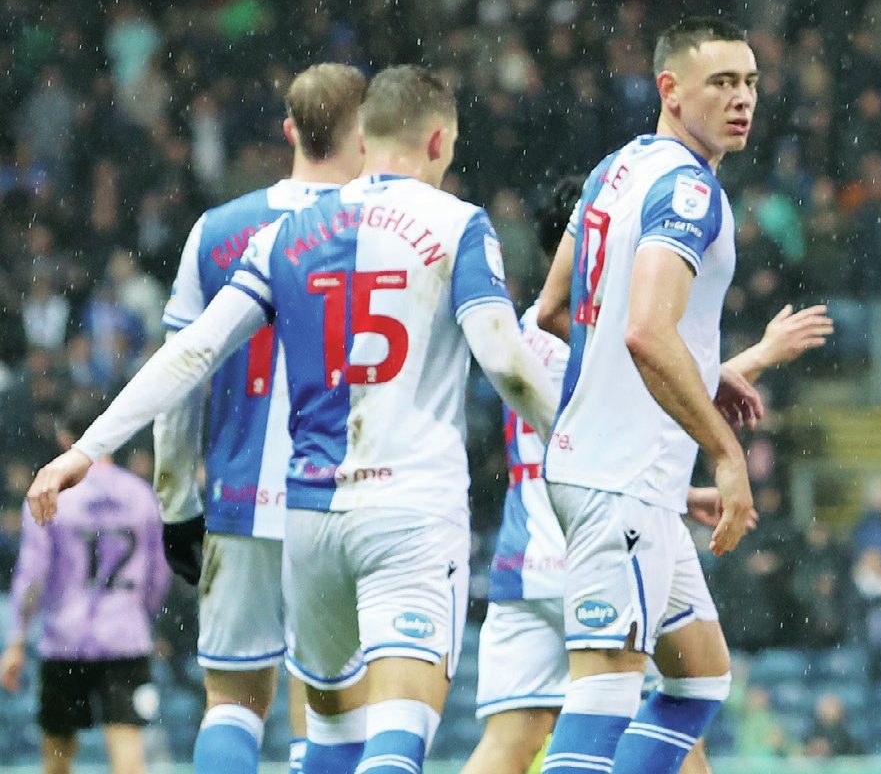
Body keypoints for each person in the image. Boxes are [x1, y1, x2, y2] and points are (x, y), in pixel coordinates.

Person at [25, 65, 560, 774]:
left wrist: (87, 451)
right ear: (438, 140)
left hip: (305, 516)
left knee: (299, 726)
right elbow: (510, 364)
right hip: (408, 511)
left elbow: (192, 354)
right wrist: (578, 444)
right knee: (397, 730)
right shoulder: (459, 225)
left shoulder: (281, 234)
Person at [462, 176, 831, 774]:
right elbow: (656, 396)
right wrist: (761, 354)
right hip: (602, 541)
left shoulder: (530, 329)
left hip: (526, 559)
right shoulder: (585, 338)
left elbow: (595, 432)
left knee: (511, 741)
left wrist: (681, 493)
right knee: (682, 716)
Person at [529, 16, 758, 774]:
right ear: (670, 88)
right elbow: (646, 333)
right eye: (722, 83)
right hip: (618, 479)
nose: (742, 99)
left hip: (618, 478)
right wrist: (727, 456)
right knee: (603, 697)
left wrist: (702, 362)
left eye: (751, 82)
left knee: (699, 679)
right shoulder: (691, 192)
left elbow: (558, 310)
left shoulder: (614, 170)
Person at [154, 62, 366, 774]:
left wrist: (178, 504)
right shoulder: (377, 231)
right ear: (363, 133)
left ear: (289, 130)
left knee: (234, 701)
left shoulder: (218, 229)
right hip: (343, 500)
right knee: (335, 703)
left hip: (240, 499)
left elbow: (179, 381)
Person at [3, 419, 169, 774]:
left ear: (65, 437)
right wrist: (145, 618)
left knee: (57, 754)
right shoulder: (141, 495)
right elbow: (159, 575)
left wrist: (16, 639)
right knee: (127, 749)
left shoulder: (50, 493)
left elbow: (33, 575)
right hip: (125, 639)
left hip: (65, 641)